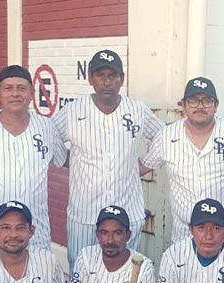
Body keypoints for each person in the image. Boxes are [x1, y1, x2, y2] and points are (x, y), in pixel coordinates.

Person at [52, 49, 164, 267]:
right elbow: (49, 140)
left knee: (127, 275)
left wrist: (144, 165)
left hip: (127, 211)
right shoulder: (73, 111)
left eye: (112, 76)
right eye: (100, 75)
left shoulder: (137, 110)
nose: (107, 81)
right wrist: (72, 161)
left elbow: (165, 137)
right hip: (85, 215)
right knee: (81, 275)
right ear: (91, 79)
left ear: (121, 79)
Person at [142, 77, 224, 243]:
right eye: (193, 100)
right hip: (184, 236)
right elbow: (145, 166)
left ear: (216, 105)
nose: (200, 106)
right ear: (183, 105)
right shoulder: (166, 136)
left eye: (206, 101)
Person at [0, 65, 67, 254]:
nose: (15, 94)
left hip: (36, 236)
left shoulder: (46, 127)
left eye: (22, 88)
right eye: (8, 88)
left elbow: (61, 160)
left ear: (31, 93)